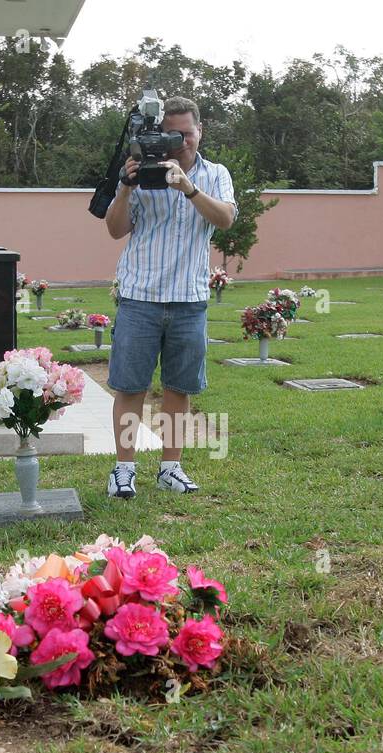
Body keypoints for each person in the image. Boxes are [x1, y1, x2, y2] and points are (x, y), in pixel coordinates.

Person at [104, 95, 236, 499]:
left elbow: (226, 220)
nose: (180, 143)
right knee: (131, 387)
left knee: (179, 388)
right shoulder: (141, 173)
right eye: (172, 135)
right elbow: (114, 228)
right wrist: (125, 188)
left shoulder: (215, 175)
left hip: (189, 299)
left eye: (187, 134)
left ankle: (170, 468)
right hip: (140, 296)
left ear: (200, 132)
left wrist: (189, 188)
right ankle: (123, 471)